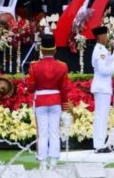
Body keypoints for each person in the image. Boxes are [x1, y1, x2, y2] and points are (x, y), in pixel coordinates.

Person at [26, 34, 71, 169]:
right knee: (54, 132)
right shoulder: (62, 66)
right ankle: (53, 162)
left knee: (43, 132)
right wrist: (64, 107)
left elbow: (31, 87)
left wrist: (27, 85)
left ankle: (42, 162)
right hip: (56, 101)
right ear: (55, 49)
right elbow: (64, 88)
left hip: (40, 101)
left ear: (41, 49)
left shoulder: (34, 66)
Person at [90, 26, 114, 153]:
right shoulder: (100, 51)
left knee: (102, 116)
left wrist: (112, 58)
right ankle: (99, 144)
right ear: (100, 37)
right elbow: (103, 70)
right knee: (101, 116)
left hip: (102, 87)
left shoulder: (102, 50)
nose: (107, 37)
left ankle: (100, 142)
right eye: (105, 35)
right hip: (102, 87)